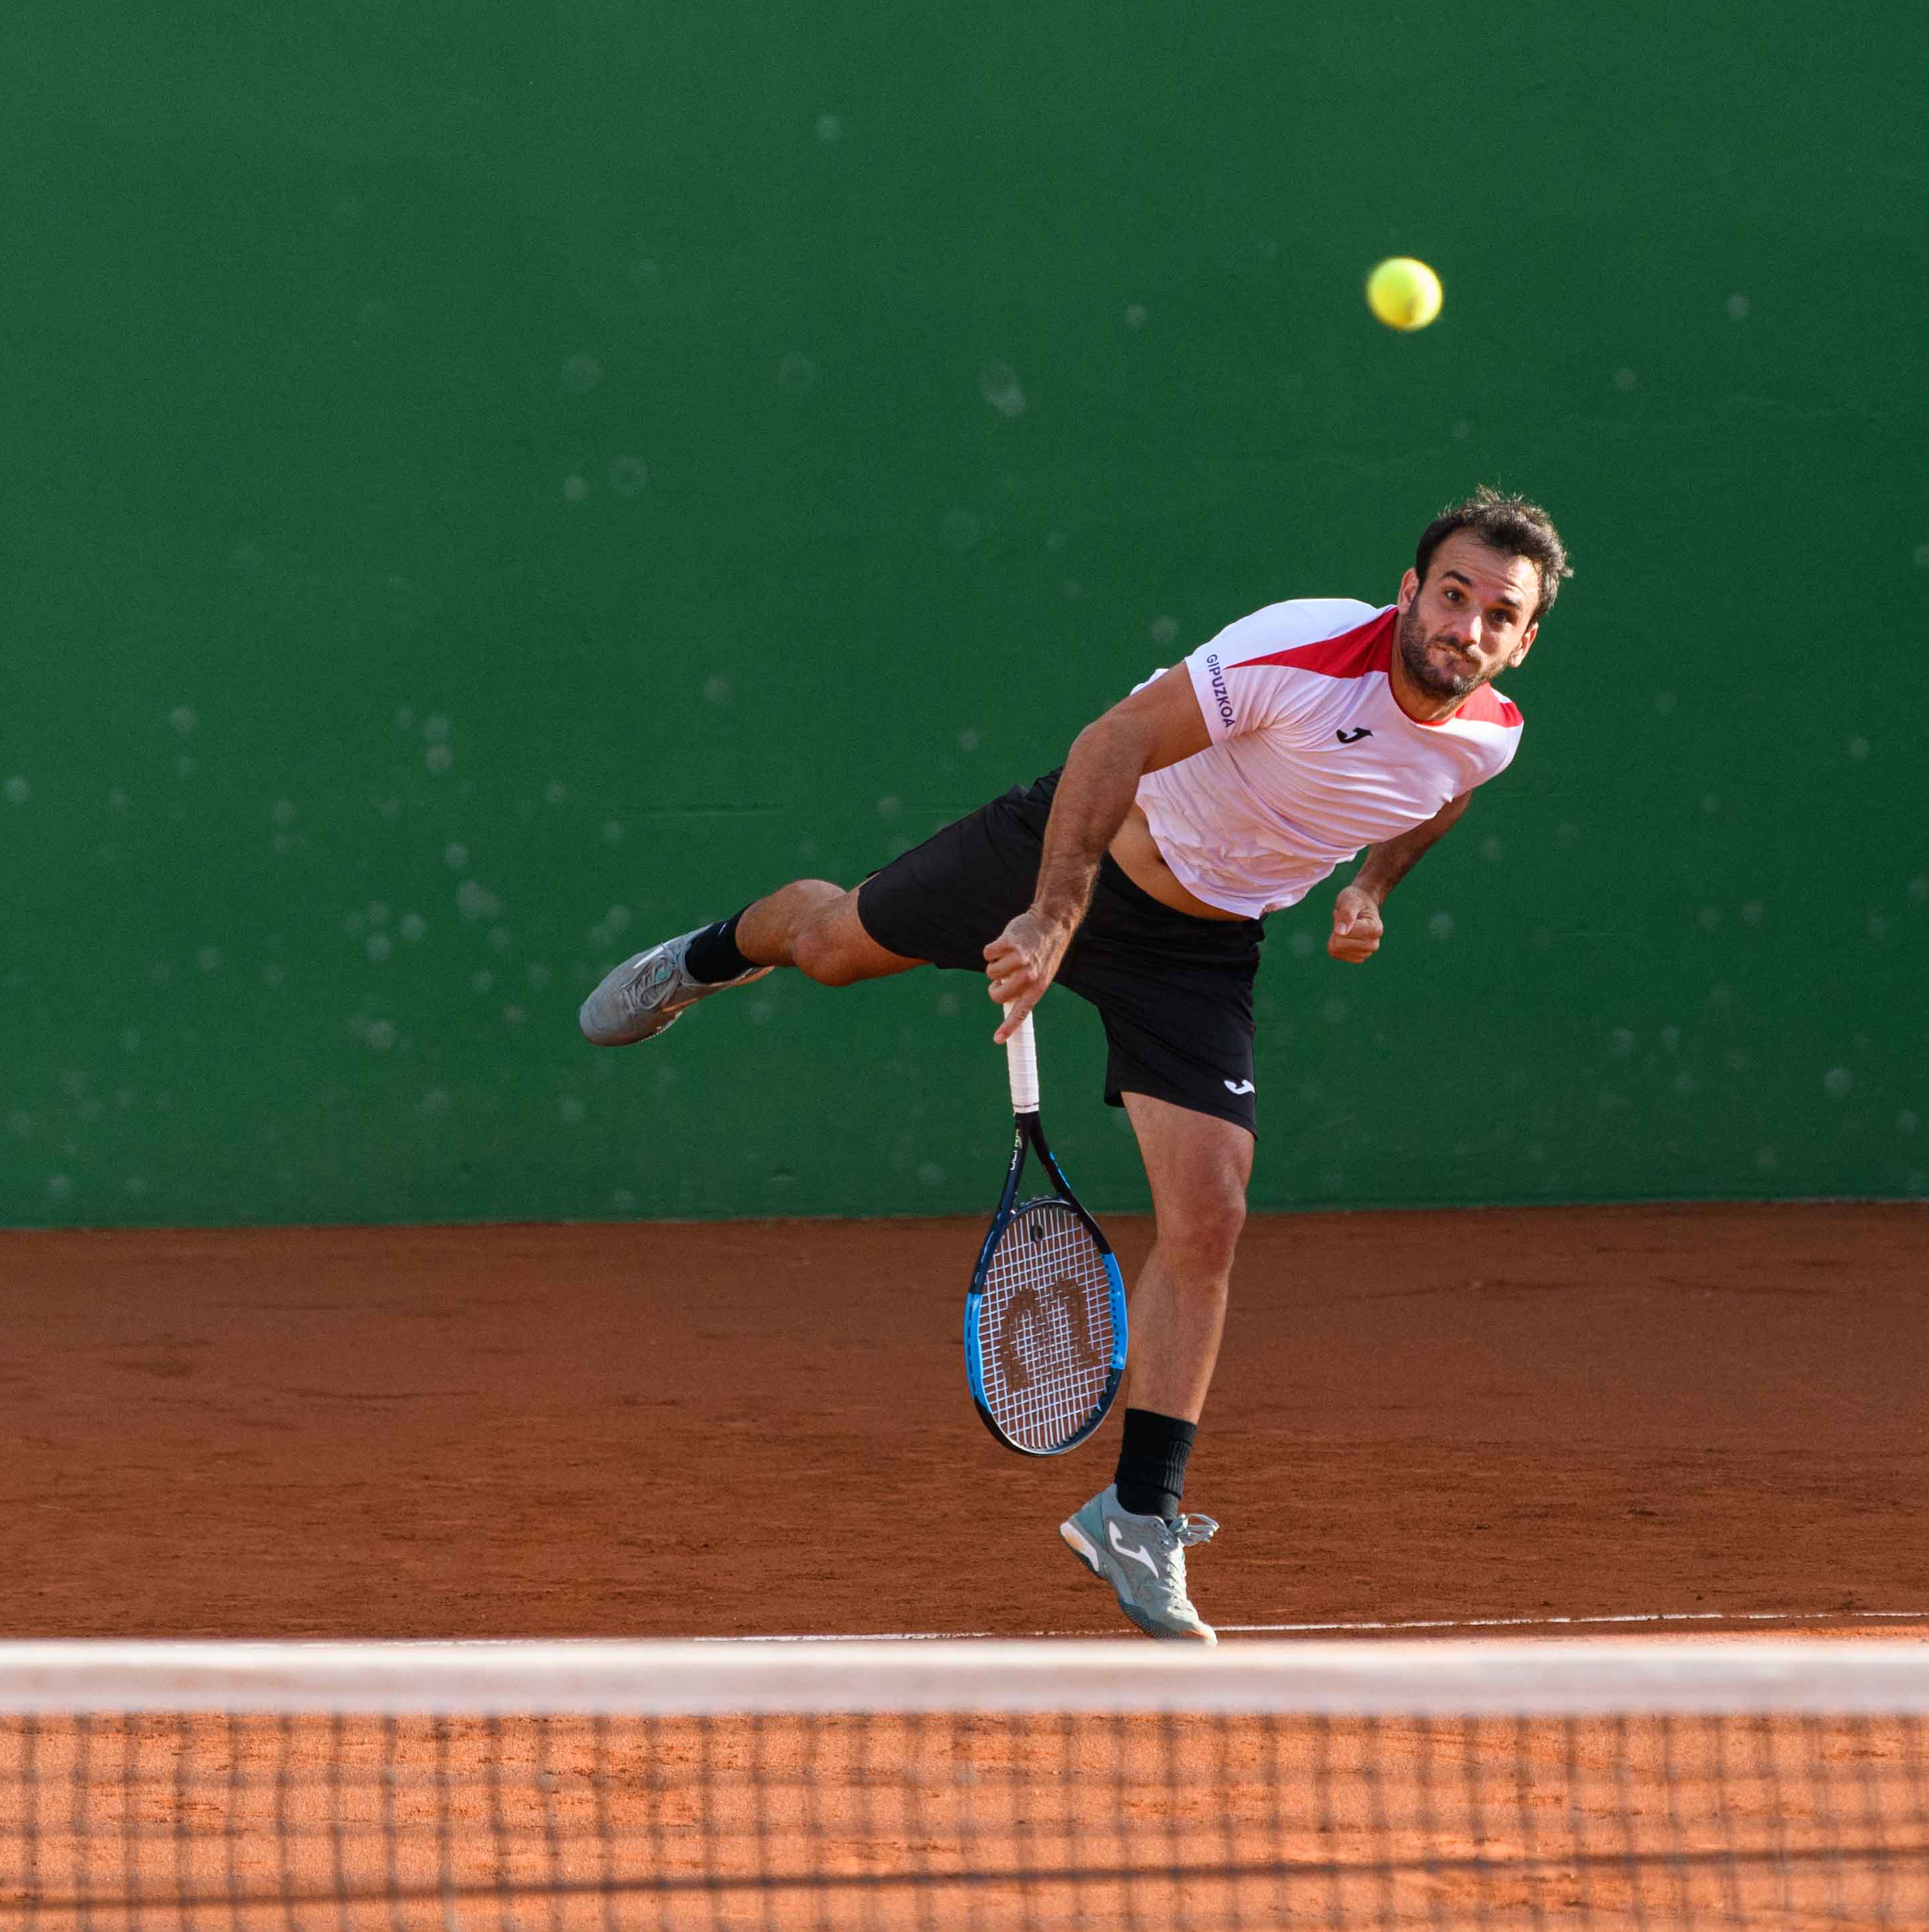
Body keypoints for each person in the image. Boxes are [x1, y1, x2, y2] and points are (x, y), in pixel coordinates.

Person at [577, 489, 1569, 1646]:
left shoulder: (1489, 735)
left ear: (1524, 638)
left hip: (1201, 950)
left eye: (1500, 613)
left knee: (1212, 1216)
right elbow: (1113, 742)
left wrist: (1367, 886)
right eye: (1453, 593)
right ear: (1410, 592)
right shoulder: (1300, 648)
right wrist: (1053, 913)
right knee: (833, 947)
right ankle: (704, 956)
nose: (1470, 624)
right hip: (1074, 852)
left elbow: (1428, 797)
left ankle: (1138, 1514)